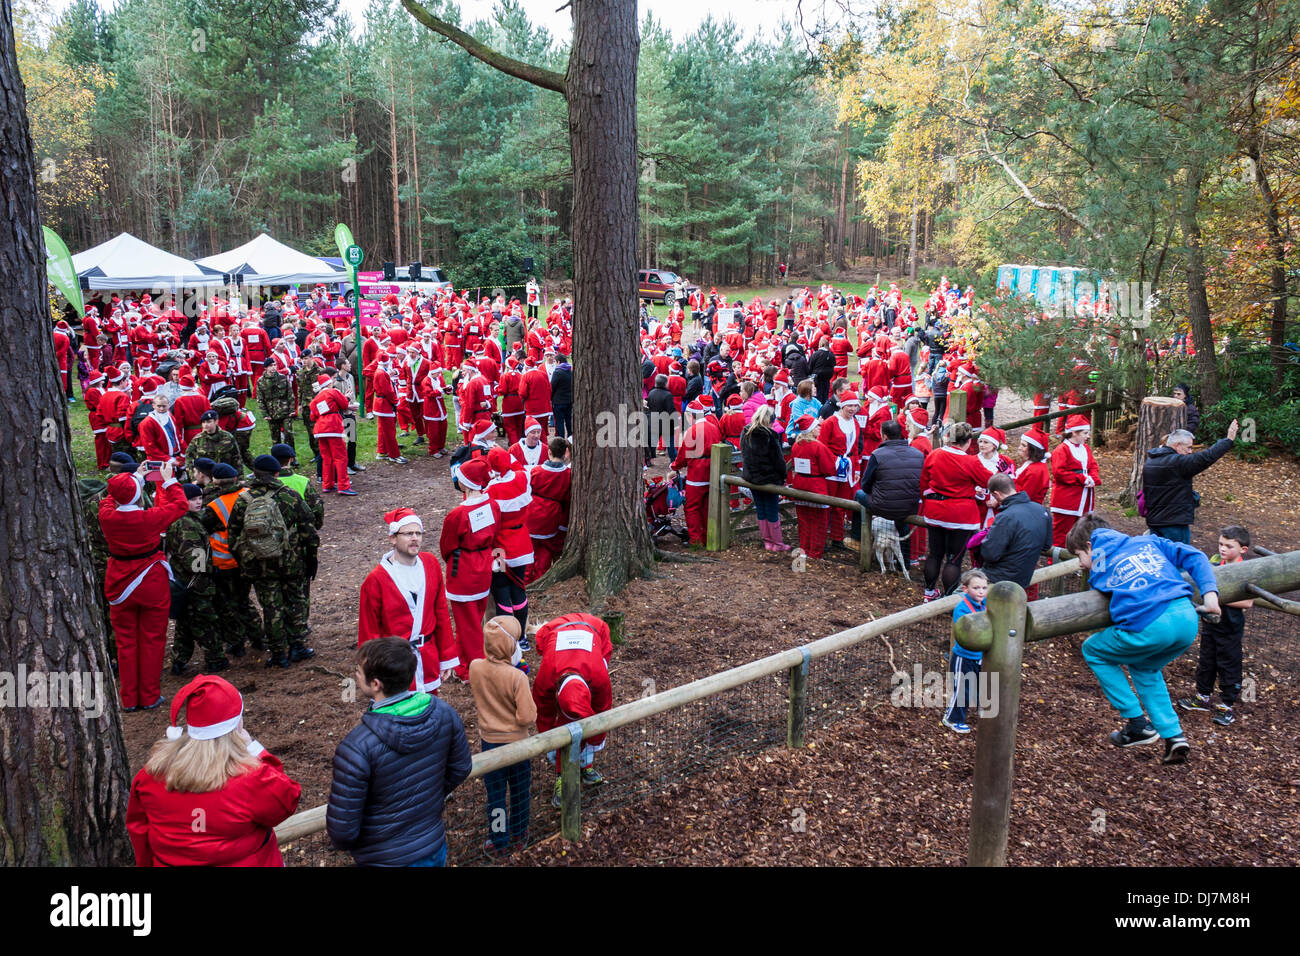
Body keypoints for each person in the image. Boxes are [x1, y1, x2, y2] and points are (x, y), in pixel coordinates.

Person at [1066, 514, 1222, 765]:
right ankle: (1174, 736)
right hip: (1186, 620)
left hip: (1151, 626)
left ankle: (1136, 722)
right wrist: (1210, 595)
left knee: (1093, 650)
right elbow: (1195, 556)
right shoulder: (1149, 543)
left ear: (1089, 547)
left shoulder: (1100, 561)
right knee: (1145, 668)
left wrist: (1095, 563)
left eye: (1078, 556)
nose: (1080, 564)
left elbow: (1101, 577)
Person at [327, 637, 473, 866]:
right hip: (432, 846)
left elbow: (342, 831)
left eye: (358, 671)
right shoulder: (444, 712)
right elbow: (461, 768)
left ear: (376, 684)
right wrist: (430, 797)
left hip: (383, 858)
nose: (355, 675)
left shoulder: (355, 747)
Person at [127, 675, 302, 866]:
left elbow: (139, 830)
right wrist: (254, 749)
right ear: (236, 725)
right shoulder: (252, 778)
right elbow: (286, 801)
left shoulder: (151, 775)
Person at [100, 463, 188, 711]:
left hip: (119, 584)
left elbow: (111, 496)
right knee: (152, 638)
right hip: (150, 581)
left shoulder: (107, 515)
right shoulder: (150, 517)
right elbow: (181, 505)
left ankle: (128, 699)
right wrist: (169, 480)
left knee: (125, 641)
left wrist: (134, 478)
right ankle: (149, 696)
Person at [226, 455, 319, 668]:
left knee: (270, 606)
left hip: (260, 563)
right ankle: (297, 646)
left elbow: (232, 535)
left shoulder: (244, 499)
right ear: (277, 473)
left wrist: (245, 559)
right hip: (291, 561)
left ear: (255, 474)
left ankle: (278, 654)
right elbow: (308, 529)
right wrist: (311, 558)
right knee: (294, 601)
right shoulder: (290, 496)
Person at [532, 613, 614, 808]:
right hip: (557, 630)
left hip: (595, 629)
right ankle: (563, 775)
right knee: (566, 726)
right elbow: (542, 710)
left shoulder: (600, 678)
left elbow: (602, 711)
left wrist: (596, 738)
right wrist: (550, 740)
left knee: (586, 717)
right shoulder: (546, 676)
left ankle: (585, 765)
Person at [469, 615, 536, 856]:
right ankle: (519, 834)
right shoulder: (517, 677)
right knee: (519, 791)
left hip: (490, 744)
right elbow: (527, 717)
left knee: (495, 796)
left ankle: (498, 840)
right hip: (517, 744)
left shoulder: (475, 667)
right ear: (510, 646)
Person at [1178, 525, 1252, 727]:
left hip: (1230, 626)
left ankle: (1227, 705)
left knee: (1228, 663)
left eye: (1229, 546)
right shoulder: (1214, 562)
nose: (1223, 549)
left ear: (1242, 549)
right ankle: (1202, 697)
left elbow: (1247, 602)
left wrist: (1216, 599)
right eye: (1221, 544)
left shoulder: (1244, 569)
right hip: (1211, 624)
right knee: (1206, 659)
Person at [441, 459, 506, 681]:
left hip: (463, 571)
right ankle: (462, 663)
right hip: (483, 566)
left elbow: (447, 546)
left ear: (466, 483)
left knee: (468, 623)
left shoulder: (457, 515)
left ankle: (476, 669)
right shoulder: (493, 505)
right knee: (472, 617)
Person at [919, 422, 990, 601]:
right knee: (954, 559)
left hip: (936, 511)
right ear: (968, 441)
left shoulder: (935, 455)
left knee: (934, 554)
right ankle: (948, 596)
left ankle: (928, 593)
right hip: (961, 515)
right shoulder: (971, 461)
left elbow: (924, 481)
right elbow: (988, 479)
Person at [1141, 421, 1239, 543]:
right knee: (1179, 559)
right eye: (1188, 447)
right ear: (1177, 445)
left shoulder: (1151, 461)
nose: (1190, 451)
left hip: (1154, 522)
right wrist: (1228, 440)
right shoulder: (1177, 463)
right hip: (1173, 524)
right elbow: (1206, 457)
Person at [165, 482, 227, 674]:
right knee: (205, 620)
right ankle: (216, 659)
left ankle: (179, 660)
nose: (198, 502)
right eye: (192, 499)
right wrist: (210, 569)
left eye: (199, 498)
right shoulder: (187, 524)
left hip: (185, 582)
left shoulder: (186, 519)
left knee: (185, 624)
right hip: (195, 583)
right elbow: (194, 561)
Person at [853, 419, 923, 563]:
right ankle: (906, 560)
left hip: (883, 505)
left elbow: (865, 485)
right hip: (910, 506)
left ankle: (858, 538)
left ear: (884, 436)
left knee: (858, 494)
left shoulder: (878, 454)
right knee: (902, 519)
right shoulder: (918, 454)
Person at [976, 473, 1052, 588]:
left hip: (998, 578)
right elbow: (1047, 545)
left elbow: (990, 554)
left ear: (997, 494)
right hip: (1025, 577)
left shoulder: (1005, 517)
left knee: (961, 593)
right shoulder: (1042, 510)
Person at [672, 398, 723, 547]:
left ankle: (696, 540)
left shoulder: (693, 430)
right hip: (712, 471)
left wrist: (674, 466)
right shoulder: (713, 427)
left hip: (697, 474)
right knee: (707, 506)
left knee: (692, 507)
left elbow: (683, 454)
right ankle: (709, 536)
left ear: (691, 415)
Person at [943, 569, 989, 734]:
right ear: (965, 589)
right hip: (964, 656)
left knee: (982, 685)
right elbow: (967, 632)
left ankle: (983, 709)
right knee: (962, 689)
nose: (981, 592)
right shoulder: (962, 609)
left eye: (984, 588)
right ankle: (953, 719)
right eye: (976, 588)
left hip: (981, 656)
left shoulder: (986, 604)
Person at [740, 405, 789, 551]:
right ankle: (778, 543)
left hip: (752, 477)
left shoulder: (746, 432)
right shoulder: (769, 435)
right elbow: (778, 460)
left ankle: (768, 542)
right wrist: (783, 476)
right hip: (769, 478)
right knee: (772, 510)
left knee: (761, 509)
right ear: (770, 421)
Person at [787, 417, 836, 559]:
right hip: (816, 486)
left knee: (804, 520)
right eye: (817, 426)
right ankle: (815, 553)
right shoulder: (818, 446)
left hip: (800, 485)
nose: (820, 428)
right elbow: (829, 468)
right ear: (811, 430)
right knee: (819, 522)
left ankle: (804, 549)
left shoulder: (796, 445)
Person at [1049, 415, 1100, 548]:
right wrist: (1082, 479)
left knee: (1080, 530)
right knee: (1062, 531)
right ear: (1074, 432)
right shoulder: (1062, 450)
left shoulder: (1085, 448)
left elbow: (1093, 465)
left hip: (1084, 497)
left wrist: (1093, 478)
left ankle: (1075, 560)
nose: (1087, 436)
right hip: (1067, 498)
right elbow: (1059, 473)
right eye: (1085, 433)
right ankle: (1055, 561)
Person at [527, 437, 571, 583]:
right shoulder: (568, 475)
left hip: (533, 515)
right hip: (552, 516)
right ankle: (541, 577)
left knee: (531, 550)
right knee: (546, 550)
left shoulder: (536, 471)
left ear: (549, 452)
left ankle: (527, 579)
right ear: (565, 453)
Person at [311, 373, 358, 495]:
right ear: (329, 383)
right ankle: (343, 485)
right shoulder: (333, 392)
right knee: (341, 457)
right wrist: (347, 397)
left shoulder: (315, 399)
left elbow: (313, 416)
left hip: (320, 430)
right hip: (334, 427)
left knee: (327, 458)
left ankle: (328, 484)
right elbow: (344, 404)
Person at [550, 353, 573, 439]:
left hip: (558, 401)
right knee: (568, 421)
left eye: (555, 362)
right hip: (569, 400)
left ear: (558, 362)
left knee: (559, 422)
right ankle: (570, 438)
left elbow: (552, 386)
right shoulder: (570, 371)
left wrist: (550, 398)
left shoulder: (558, 372)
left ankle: (561, 439)